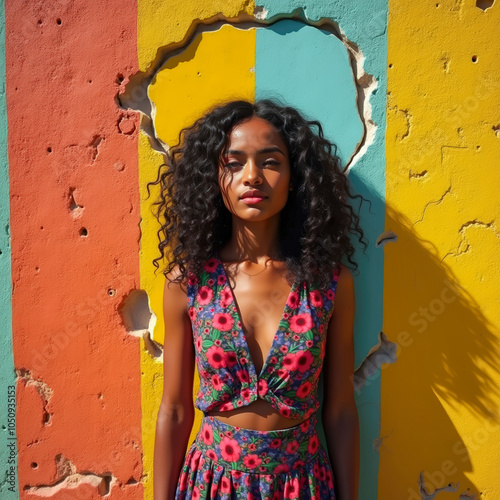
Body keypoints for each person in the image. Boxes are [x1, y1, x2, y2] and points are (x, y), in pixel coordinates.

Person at [147, 99, 368, 499]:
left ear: (294, 177)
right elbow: (175, 410)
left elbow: (339, 410)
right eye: (233, 163)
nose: (252, 177)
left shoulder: (328, 285)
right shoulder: (189, 284)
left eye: (270, 162)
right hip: (212, 484)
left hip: (302, 486)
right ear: (213, 178)